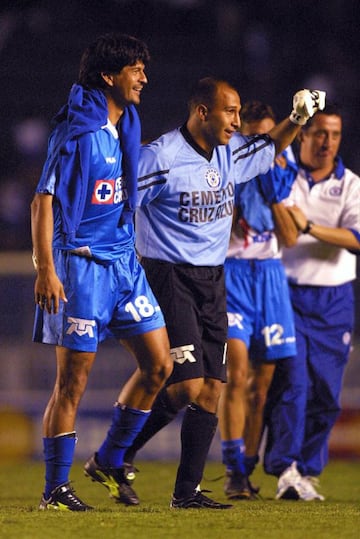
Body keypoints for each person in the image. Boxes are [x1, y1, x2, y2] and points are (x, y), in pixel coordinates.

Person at [99, 79, 325, 510]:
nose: (237, 121)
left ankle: (184, 492)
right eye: (230, 112)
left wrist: (297, 119)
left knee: (210, 390)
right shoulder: (160, 156)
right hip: (169, 276)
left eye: (239, 113)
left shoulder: (230, 154)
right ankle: (115, 455)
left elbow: (268, 145)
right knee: (186, 388)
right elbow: (118, 203)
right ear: (202, 112)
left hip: (213, 280)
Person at [31, 32, 173, 512]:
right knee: (72, 382)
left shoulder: (125, 123)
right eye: (135, 69)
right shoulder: (74, 130)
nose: (144, 78)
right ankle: (55, 489)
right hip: (81, 266)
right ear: (109, 76)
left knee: (160, 364)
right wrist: (46, 269)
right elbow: (42, 199)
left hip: (123, 263)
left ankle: (110, 458)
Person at [263, 103, 360, 501]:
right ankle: (284, 467)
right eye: (320, 132)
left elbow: (355, 239)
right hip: (285, 293)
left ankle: (306, 470)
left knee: (327, 397)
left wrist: (308, 226)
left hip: (334, 299)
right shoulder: (283, 171)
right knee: (293, 386)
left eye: (335, 135)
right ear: (303, 134)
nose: (327, 142)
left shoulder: (350, 184)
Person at [217, 100, 299, 501]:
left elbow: (290, 232)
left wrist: (274, 182)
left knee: (261, 386)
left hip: (270, 276)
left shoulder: (284, 167)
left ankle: (246, 467)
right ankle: (232, 469)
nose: (267, 147)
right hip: (232, 274)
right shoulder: (227, 164)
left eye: (274, 139)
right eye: (257, 138)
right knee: (236, 375)